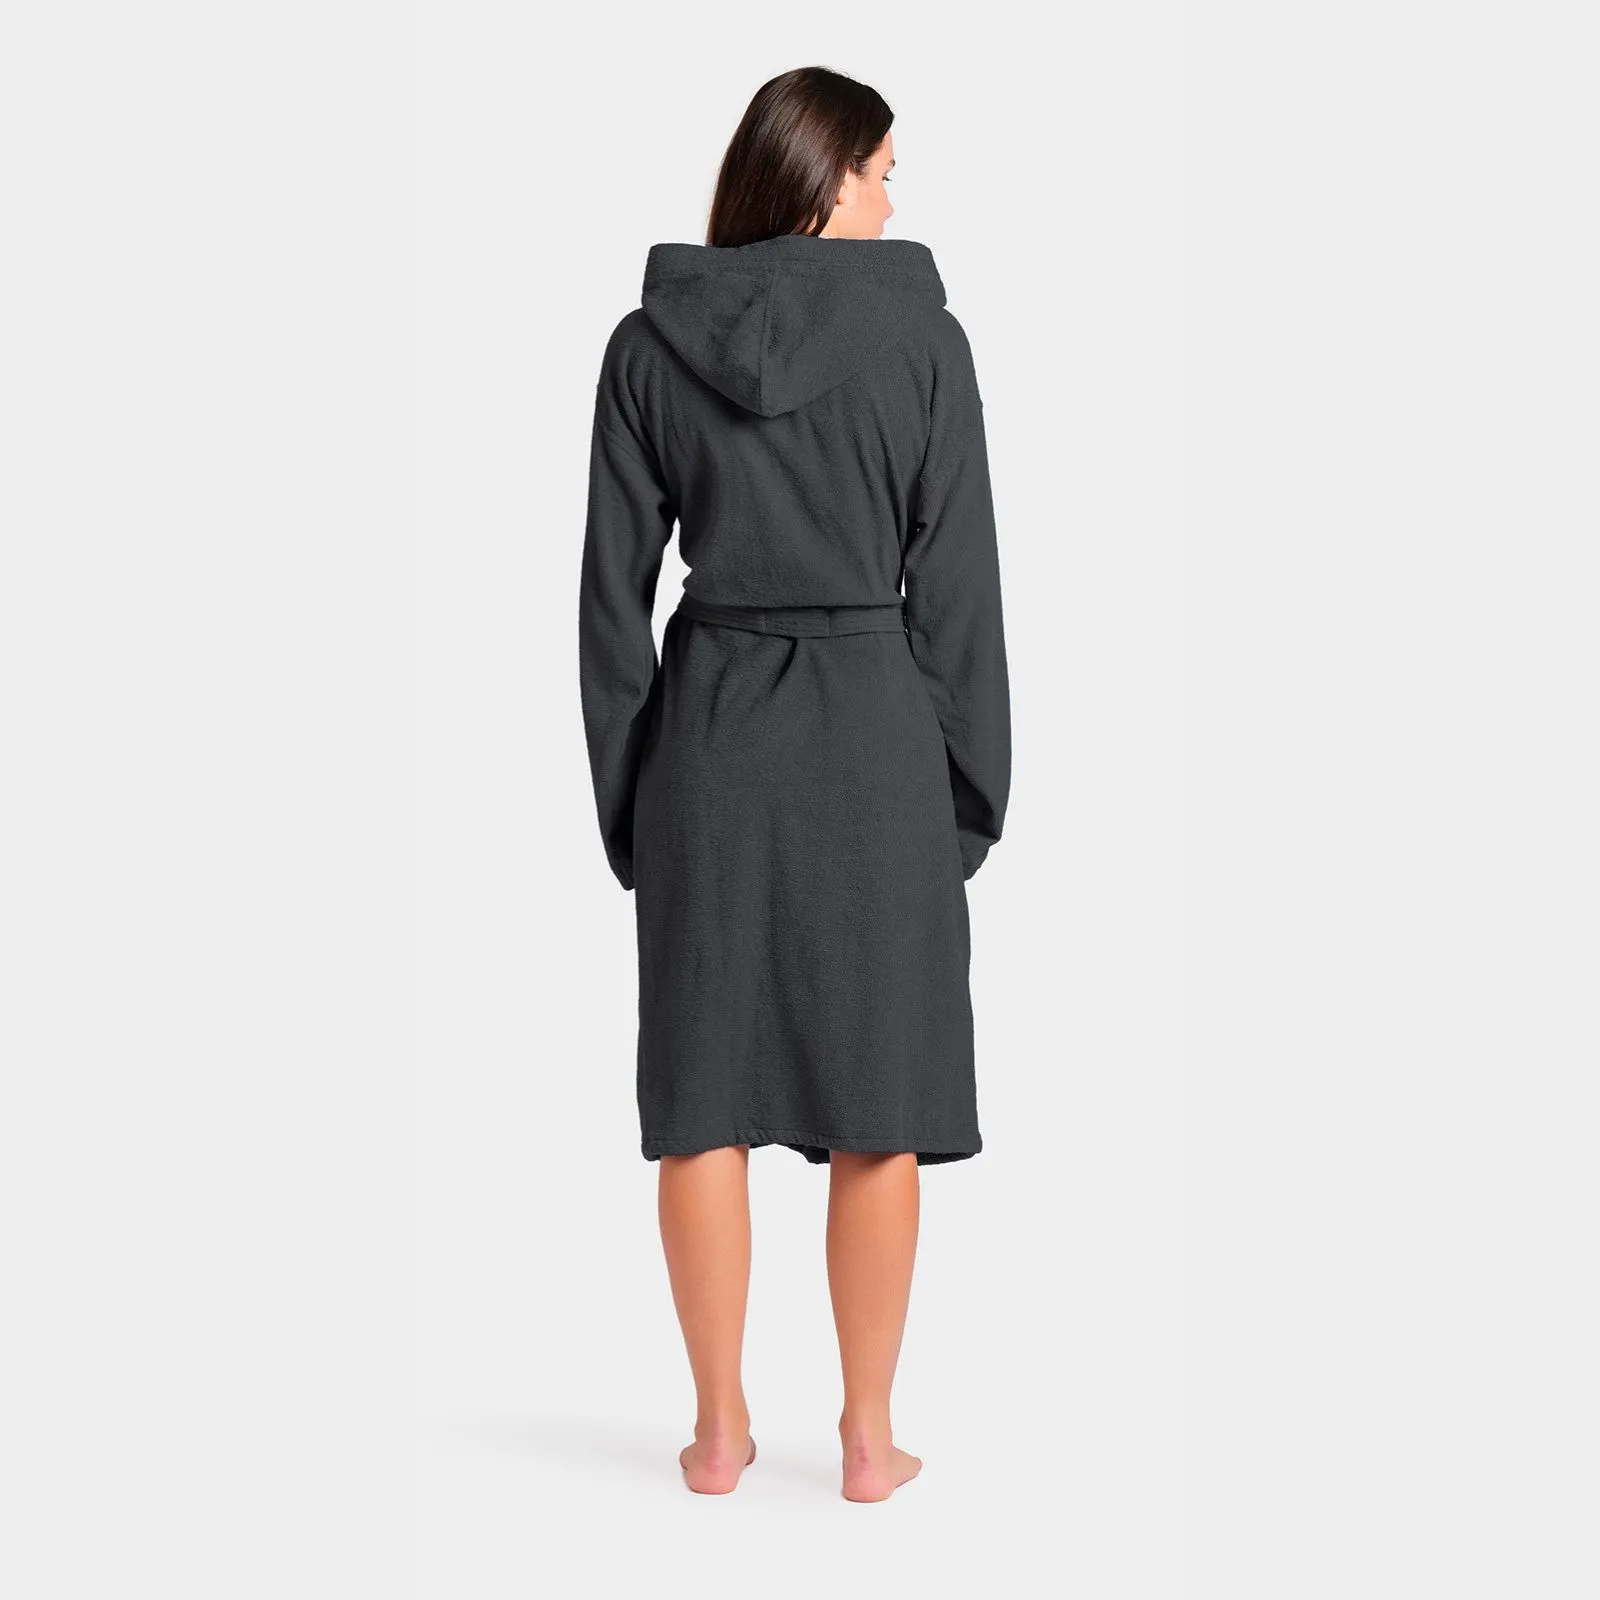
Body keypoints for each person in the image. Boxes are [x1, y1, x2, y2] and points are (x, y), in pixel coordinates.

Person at [577, 65, 1011, 1502]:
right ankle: (869, 1441)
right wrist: (965, 801)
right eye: (882, 171)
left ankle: (717, 1434)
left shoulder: (649, 345)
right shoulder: (925, 342)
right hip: (875, 744)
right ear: (825, 181)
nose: (893, 197)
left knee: (703, 1095)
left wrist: (635, 804)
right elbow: (959, 595)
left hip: (711, 745)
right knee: (879, 1098)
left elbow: (610, 608)